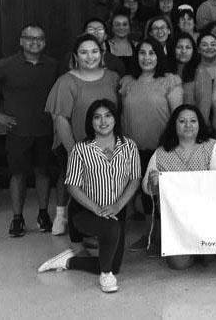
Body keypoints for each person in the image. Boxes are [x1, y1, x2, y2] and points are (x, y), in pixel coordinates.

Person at [37, 99, 141, 293]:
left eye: (108, 115)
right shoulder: (80, 149)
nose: (103, 121)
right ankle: (106, 276)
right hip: (84, 211)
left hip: (117, 210)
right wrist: (97, 209)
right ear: (90, 122)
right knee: (110, 233)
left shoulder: (129, 147)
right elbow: (72, 185)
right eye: (97, 117)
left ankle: (69, 261)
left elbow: (135, 179)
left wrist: (118, 205)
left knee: (115, 263)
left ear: (115, 119)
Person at [0, 25, 58, 236]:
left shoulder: (54, 65)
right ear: (21, 41)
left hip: (46, 130)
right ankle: (17, 218)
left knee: (43, 173)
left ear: (45, 42)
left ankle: (43, 214)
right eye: (29, 38)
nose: (35, 42)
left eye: (39, 38)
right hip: (17, 131)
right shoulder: (7, 65)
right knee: (18, 175)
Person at [46, 34, 121, 238]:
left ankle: (104, 232)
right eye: (84, 52)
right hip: (77, 145)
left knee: (103, 189)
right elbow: (60, 119)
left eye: (94, 51)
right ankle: (78, 239)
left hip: (108, 146)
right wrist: (75, 153)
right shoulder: (66, 81)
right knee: (81, 193)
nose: (90, 56)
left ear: (101, 53)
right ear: (75, 56)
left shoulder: (113, 78)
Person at [142, 105, 216, 269]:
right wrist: (153, 183)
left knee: (211, 260)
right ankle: (191, 248)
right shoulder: (161, 152)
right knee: (179, 264)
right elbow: (146, 187)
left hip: (206, 215)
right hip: (176, 220)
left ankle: (201, 247)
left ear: (199, 124)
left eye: (193, 121)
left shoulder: (212, 146)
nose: (188, 125)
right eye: (182, 121)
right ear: (174, 125)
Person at [118, 38, 183, 250]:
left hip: (161, 149)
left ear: (159, 56)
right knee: (143, 193)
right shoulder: (127, 82)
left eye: (152, 53)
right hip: (133, 149)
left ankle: (167, 237)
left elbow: (178, 117)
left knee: (161, 194)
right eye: (142, 53)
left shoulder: (170, 81)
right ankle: (150, 236)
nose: (147, 58)